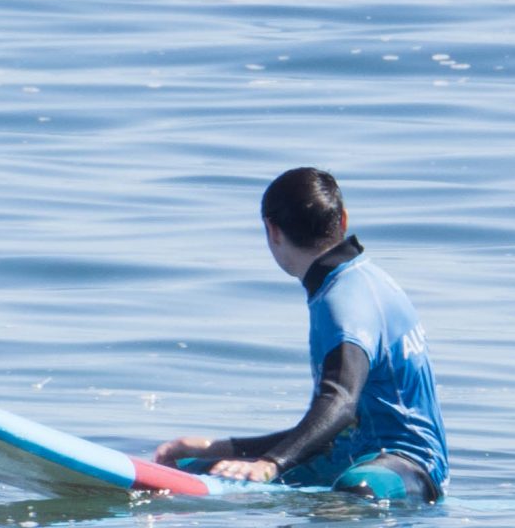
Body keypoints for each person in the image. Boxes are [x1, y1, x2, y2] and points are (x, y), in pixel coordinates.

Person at [153, 166, 448, 502]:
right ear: (343, 220)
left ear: (272, 230)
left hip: (407, 466)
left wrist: (271, 463)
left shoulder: (344, 301)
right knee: (192, 469)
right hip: (347, 453)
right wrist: (223, 448)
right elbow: (340, 426)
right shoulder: (357, 280)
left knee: (355, 492)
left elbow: (340, 401)